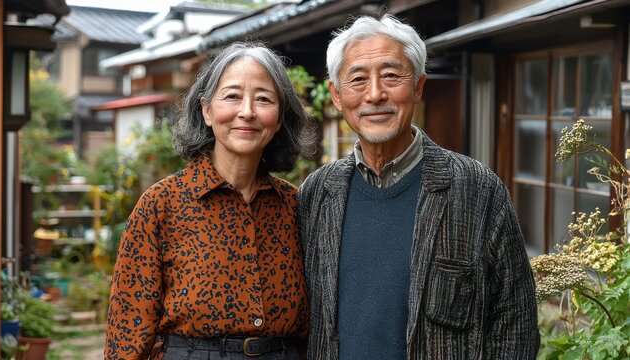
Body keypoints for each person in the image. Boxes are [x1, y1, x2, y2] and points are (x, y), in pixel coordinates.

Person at [298, 15, 539, 359]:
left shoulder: (477, 190)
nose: (375, 94)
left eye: (392, 75)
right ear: (337, 96)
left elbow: (515, 325)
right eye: (358, 79)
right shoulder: (317, 193)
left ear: (419, 87)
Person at [105, 42, 314, 359]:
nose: (247, 111)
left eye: (263, 99)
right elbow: (127, 333)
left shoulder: (295, 206)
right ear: (206, 109)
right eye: (232, 96)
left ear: (280, 117)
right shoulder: (163, 204)